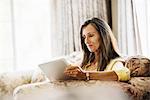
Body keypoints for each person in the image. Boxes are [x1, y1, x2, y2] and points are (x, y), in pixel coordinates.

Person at [64, 17, 130, 81]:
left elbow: (124, 74)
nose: (86, 41)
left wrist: (86, 75)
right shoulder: (85, 63)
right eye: (84, 37)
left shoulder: (114, 62)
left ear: (103, 36)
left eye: (91, 35)